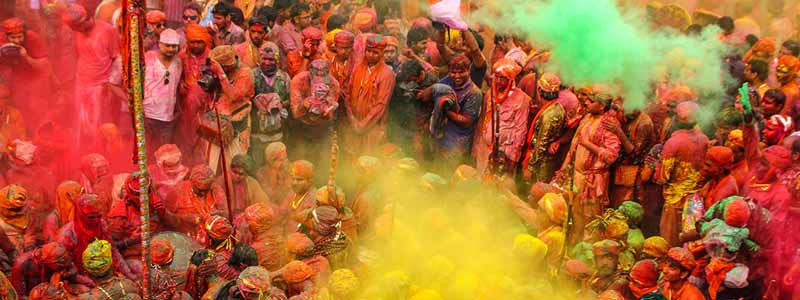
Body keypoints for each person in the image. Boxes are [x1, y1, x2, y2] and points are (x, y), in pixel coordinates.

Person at [555, 92, 621, 242]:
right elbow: (574, 145)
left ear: (602, 106)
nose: (586, 102)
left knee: (590, 221)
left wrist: (588, 145)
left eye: (591, 101)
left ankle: (588, 254)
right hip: (577, 177)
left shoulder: (609, 124)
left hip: (593, 182)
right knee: (575, 216)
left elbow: (611, 156)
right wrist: (564, 169)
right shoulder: (587, 118)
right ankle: (574, 247)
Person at [63, 3, 120, 146]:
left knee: (97, 125)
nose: (88, 22)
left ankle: (97, 154)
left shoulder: (108, 30)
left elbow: (116, 58)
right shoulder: (76, 33)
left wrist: (110, 85)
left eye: (88, 18)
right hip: (81, 82)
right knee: (80, 124)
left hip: (100, 86)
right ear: (74, 28)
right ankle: (80, 155)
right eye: (81, 24)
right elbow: (79, 55)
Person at [655, 101, 708, 246]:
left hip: (675, 202)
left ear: (677, 120)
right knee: (691, 245)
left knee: (671, 244)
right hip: (695, 201)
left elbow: (662, 177)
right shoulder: (703, 139)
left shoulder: (674, 143)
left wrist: (656, 165)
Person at [56, 194, 135, 280]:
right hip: (78, 277)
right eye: (91, 217)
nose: (96, 220)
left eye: (99, 216)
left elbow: (113, 251)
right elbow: (66, 269)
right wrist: (87, 281)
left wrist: (129, 274)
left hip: (102, 272)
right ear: (80, 215)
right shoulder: (68, 235)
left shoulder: (102, 225)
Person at [473, 58, 530, 172]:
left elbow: (520, 131)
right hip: (484, 150)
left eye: (503, 78)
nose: (498, 81)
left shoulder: (522, 99)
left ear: (511, 79)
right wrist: (476, 145)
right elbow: (482, 119)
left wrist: (513, 159)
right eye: (496, 77)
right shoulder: (490, 94)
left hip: (504, 155)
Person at [343, 35, 396, 157]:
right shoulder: (357, 68)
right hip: (353, 124)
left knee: (369, 161)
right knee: (351, 159)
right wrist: (352, 120)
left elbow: (380, 105)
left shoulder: (387, 74)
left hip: (373, 127)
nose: (371, 55)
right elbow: (348, 94)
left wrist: (362, 126)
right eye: (368, 51)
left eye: (375, 52)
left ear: (382, 53)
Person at [206, 45, 255, 173]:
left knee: (234, 166)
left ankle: (235, 191)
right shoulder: (218, 71)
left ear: (228, 65)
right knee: (211, 163)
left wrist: (221, 74)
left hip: (236, 125)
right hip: (215, 122)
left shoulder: (245, 73)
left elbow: (233, 96)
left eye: (223, 67)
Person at [0, 18, 55, 131]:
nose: (17, 40)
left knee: (37, 109)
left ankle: (40, 137)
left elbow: (45, 67)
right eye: (13, 37)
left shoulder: (33, 38)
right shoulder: (2, 40)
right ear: (6, 36)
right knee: (20, 108)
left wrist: (27, 57)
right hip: (18, 78)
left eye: (20, 36)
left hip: (36, 78)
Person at [289, 59, 339, 178]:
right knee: (300, 165)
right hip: (301, 127)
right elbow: (296, 113)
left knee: (323, 167)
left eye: (323, 75)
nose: (320, 78)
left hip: (322, 128)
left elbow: (330, 115)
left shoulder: (333, 83)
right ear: (310, 73)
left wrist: (326, 106)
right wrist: (306, 103)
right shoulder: (298, 81)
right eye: (317, 75)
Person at [522, 73, 572, 185]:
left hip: (540, 166)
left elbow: (541, 144)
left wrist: (530, 168)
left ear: (539, 90)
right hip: (548, 161)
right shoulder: (558, 108)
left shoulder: (548, 115)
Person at [434, 54, 483, 167]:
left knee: (453, 174)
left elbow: (466, 121)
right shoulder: (447, 82)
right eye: (453, 72)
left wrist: (445, 109)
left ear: (468, 70)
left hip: (458, 142)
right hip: (442, 137)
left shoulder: (474, 93)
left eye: (461, 72)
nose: (456, 76)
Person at [250, 44, 291, 168]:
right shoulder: (251, 75)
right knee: (258, 167)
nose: (267, 63)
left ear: (277, 60)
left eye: (271, 59)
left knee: (277, 168)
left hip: (277, 135)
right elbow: (245, 98)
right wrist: (258, 102)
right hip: (257, 135)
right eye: (264, 59)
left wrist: (279, 104)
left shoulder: (284, 77)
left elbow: (290, 100)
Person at [177, 24, 212, 162]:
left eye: (199, 42)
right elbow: (176, 77)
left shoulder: (211, 56)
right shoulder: (182, 56)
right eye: (193, 42)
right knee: (186, 139)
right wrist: (180, 84)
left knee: (203, 142)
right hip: (186, 108)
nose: (196, 45)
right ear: (188, 42)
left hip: (205, 107)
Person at [144, 28, 182, 155]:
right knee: (146, 150)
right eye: (167, 45)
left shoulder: (178, 62)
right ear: (160, 44)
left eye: (174, 46)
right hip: (147, 113)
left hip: (167, 116)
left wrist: (177, 109)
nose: (171, 49)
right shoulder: (148, 58)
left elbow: (175, 87)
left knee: (164, 152)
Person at [607, 106, 655, 205]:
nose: (624, 112)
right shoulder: (628, 116)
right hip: (621, 171)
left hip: (633, 174)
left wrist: (619, 131)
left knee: (625, 206)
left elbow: (634, 153)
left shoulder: (644, 124)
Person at [165, 164, 225, 241]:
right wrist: (183, 219)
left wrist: (218, 214)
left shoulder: (216, 189)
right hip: (184, 239)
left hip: (211, 239)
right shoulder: (177, 191)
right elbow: (166, 218)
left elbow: (226, 214)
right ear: (192, 182)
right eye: (200, 190)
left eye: (206, 190)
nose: (203, 193)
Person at [11, 242, 94, 297]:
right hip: (38, 295)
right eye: (60, 265)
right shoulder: (22, 264)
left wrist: (65, 274)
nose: (63, 267)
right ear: (47, 262)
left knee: (87, 286)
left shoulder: (58, 253)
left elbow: (72, 269)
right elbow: (20, 295)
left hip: (58, 289)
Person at [243, 203, 285, 271]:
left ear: (256, 225)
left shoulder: (257, 249)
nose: (247, 225)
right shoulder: (280, 236)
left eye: (248, 221)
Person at [0, 185, 36, 255]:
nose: (15, 212)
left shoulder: (28, 215)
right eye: (11, 209)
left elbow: (30, 235)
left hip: (19, 251)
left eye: (18, 209)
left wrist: (29, 247)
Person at [256, 142, 292, 210]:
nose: (285, 162)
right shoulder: (261, 173)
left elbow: (291, 190)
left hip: (287, 206)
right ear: (271, 160)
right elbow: (270, 197)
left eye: (286, 158)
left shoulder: (288, 168)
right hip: (270, 207)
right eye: (281, 160)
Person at [285, 160, 318, 233]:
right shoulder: (291, 193)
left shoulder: (315, 198)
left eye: (299, 180)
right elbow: (282, 213)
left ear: (310, 181)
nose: (294, 183)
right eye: (293, 179)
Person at [776, 55, 800, 119]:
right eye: (778, 69)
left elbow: (781, 115)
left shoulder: (790, 91)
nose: (779, 74)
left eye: (784, 71)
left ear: (792, 73)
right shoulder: (784, 85)